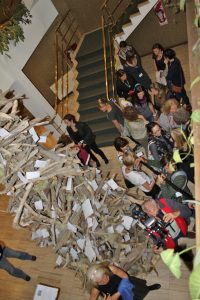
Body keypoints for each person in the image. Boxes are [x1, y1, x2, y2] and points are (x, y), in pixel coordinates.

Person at [87, 261, 161, 300]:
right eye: (100, 282)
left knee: (141, 289)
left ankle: (148, 288)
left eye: (104, 277)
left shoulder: (111, 269)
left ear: (105, 271)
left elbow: (125, 276)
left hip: (126, 284)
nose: (104, 281)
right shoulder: (95, 288)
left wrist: (117, 294)